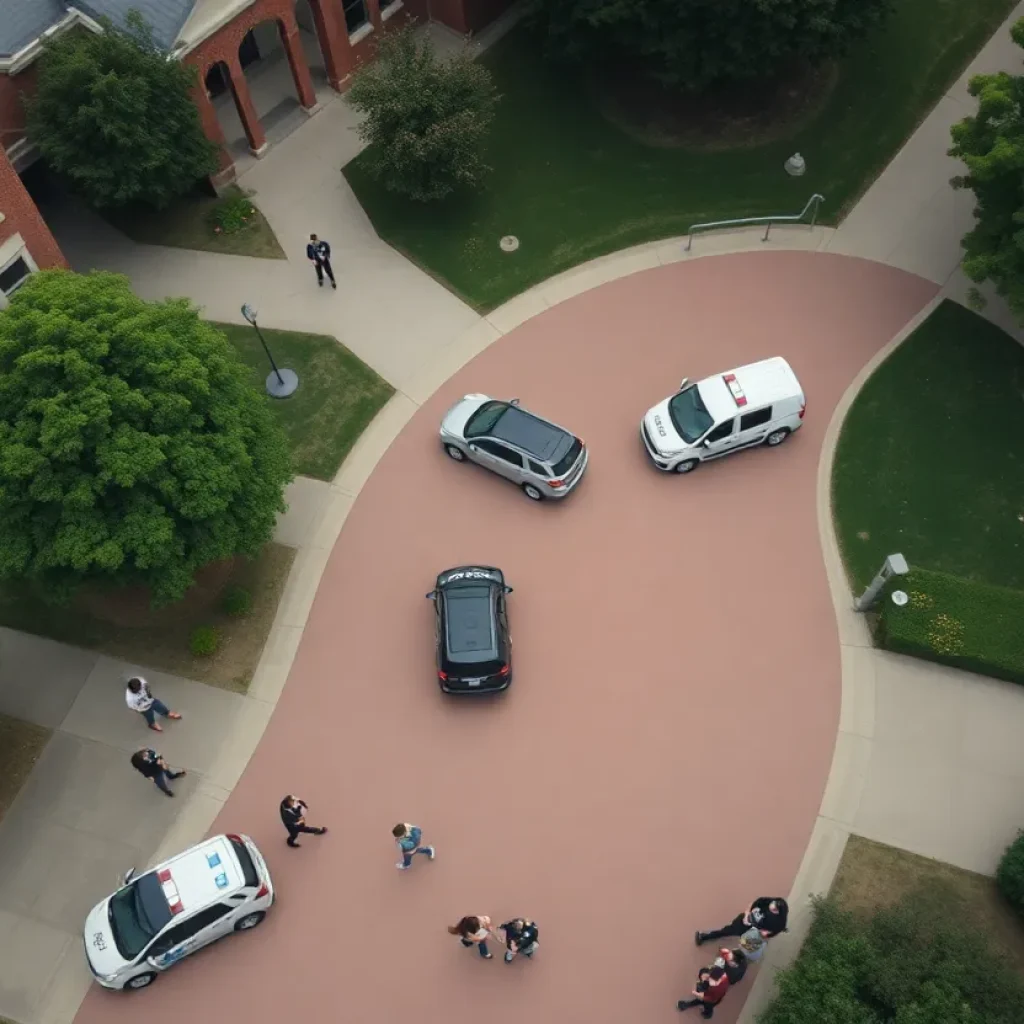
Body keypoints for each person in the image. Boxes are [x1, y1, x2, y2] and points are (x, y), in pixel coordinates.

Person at [695, 896, 789, 946]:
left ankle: (704, 937)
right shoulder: (769, 902)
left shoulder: (778, 924)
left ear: (777, 912)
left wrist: (759, 932)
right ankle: (707, 936)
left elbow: (767, 934)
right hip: (745, 921)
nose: (769, 907)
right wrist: (747, 915)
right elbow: (754, 903)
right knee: (729, 930)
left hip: (753, 930)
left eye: (772, 910)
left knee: (740, 939)